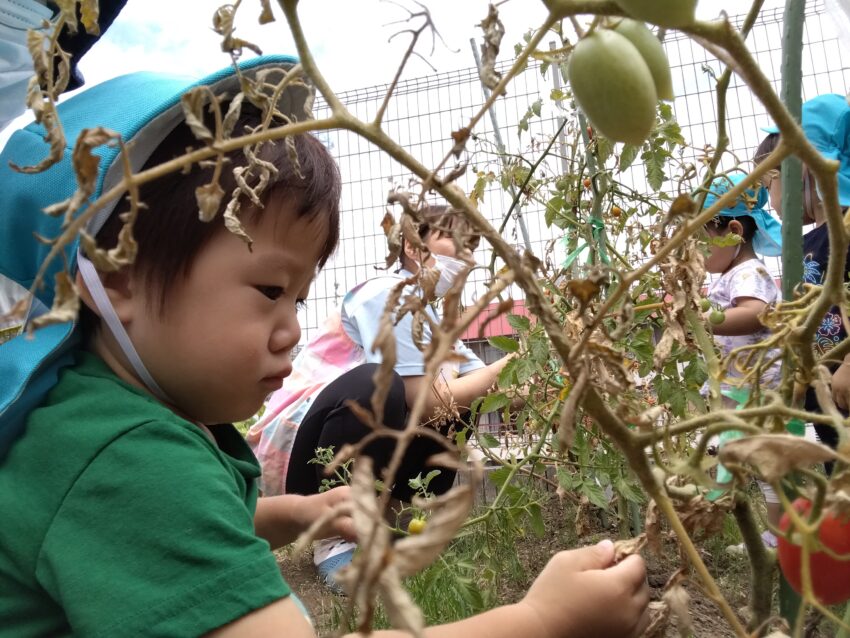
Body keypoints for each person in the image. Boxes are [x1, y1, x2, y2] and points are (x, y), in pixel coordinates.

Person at [0, 57, 650, 637]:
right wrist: (540, 621)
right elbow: (159, 506)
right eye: (268, 288)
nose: (291, 329)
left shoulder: (99, 423)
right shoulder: (125, 460)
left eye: (299, 299)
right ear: (117, 280)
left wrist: (291, 513)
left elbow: (169, 526)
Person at [248, 204, 518, 591]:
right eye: (453, 239)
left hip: (349, 443)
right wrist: (504, 364)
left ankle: (391, 522)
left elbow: (487, 390)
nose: (466, 253)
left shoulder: (437, 322)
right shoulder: (384, 295)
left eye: (472, 244)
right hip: (300, 457)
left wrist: (548, 378)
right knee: (382, 382)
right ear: (413, 246)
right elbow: (429, 402)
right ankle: (335, 538)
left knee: (465, 400)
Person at [754, 93, 850, 472]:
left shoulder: (845, 231)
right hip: (828, 402)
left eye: (771, 182)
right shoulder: (810, 242)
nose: (768, 198)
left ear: (805, 169)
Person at [700, 172, 784, 549]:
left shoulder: (750, 272)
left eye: (702, 244)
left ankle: (777, 537)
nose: (698, 256)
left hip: (760, 385)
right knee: (724, 449)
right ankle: (712, 515)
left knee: (767, 464)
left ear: (734, 230)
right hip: (736, 382)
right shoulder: (728, 274)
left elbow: (754, 313)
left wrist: (705, 322)